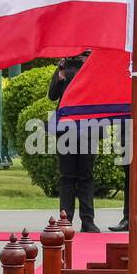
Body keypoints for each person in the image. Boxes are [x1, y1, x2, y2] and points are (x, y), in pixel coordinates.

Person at [48, 53, 100, 232]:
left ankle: (88, 220)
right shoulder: (62, 67)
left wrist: (89, 67)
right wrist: (60, 76)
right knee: (67, 177)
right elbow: (52, 95)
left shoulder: (93, 68)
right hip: (66, 129)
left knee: (86, 176)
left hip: (88, 126)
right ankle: (65, 220)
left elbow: (99, 93)